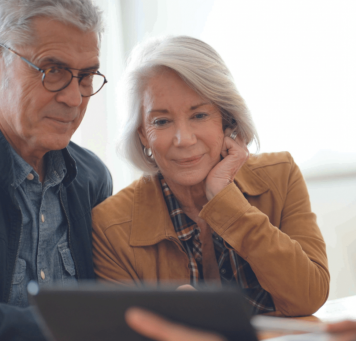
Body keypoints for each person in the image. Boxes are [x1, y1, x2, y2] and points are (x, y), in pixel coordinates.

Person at [0, 1, 214, 340]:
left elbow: (104, 300)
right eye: (53, 70)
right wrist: (119, 320)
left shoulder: (91, 177)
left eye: (87, 77)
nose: (75, 99)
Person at [92, 35, 330, 317]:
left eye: (200, 115)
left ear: (226, 119)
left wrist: (228, 203)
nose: (184, 139)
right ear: (143, 134)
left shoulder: (281, 175)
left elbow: (309, 296)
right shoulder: (110, 226)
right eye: (162, 121)